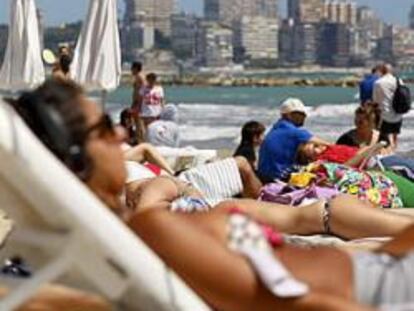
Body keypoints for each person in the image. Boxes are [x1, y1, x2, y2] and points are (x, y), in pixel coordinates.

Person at [13, 80, 414, 310]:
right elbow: (301, 304)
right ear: (77, 160)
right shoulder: (153, 228)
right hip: (381, 287)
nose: (121, 134)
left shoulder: (131, 236)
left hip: (378, 268)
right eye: (104, 129)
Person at [258, 98, 330, 181]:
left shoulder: (277, 127)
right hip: (278, 177)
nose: (305, 116)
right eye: (301, 114)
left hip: (264, 175)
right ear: (289, 115)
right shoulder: (293, 131)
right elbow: (327, 145)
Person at [373, 64, 404, 150]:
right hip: (398, 113)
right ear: (391, 71)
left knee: (383, 137)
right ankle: (394, 150)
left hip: (384, 114)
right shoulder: (399, 81)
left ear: (382, 71)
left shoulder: (378, 83)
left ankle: (384, 153)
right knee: (395, 135)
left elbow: (375, 100)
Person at [130, 61, 145, 143]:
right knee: (137, 122)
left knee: (138, 122)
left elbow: (141, 92)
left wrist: (137, 103)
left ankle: (140, 140)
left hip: (138, 103)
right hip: (138, 102)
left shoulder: (139, 77)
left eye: (132, 68)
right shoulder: (139, 77)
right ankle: (140, 139)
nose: (131, 70)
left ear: (135, 68)